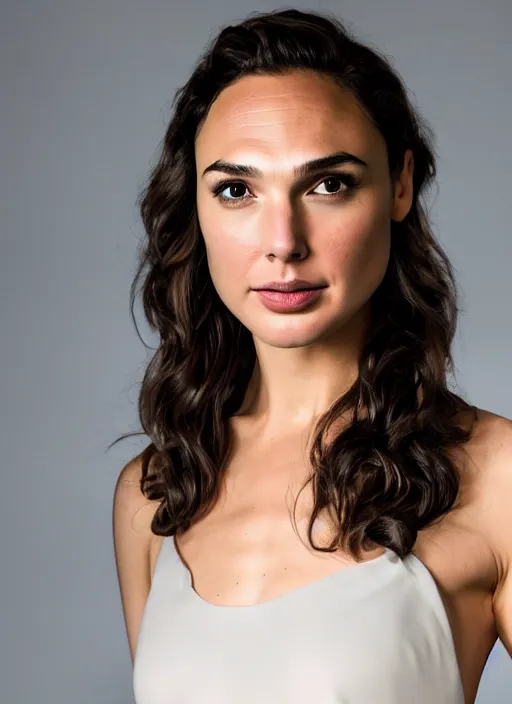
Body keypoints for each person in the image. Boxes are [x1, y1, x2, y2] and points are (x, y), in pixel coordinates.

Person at [111, 8, 512, 704]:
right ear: (196, 208)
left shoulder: (495, 476)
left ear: (400, 185)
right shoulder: (153, 493)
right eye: (236, 190)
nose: (283, 242)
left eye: (329, 184)